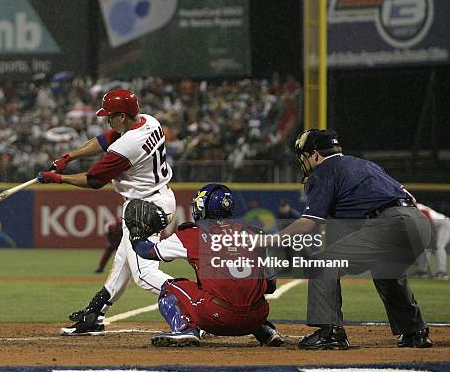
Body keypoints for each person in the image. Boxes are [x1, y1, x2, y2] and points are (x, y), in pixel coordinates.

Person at [264, 129, 432, 349]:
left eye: (304, 156)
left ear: (315, 155)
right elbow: (409, 196)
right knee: (386, 272)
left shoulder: (324, 171)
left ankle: (330, 333)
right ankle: (415, 332)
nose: (303, 162)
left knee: (321, 263)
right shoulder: (364, 165)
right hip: (418, 222)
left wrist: (267, 241)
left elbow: (308, 223)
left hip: (388, 224)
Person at [37, 89, 176, 335]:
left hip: (146, 207)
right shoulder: (148, 121)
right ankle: (95, 315)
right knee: (121, 263)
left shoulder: (128, 145)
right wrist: (68, 156)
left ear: (122, 116)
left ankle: (195, 302)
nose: (107, 119)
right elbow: (104, 140)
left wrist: (57, 178)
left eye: (110, 116)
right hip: (151, 200)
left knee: (143, 274)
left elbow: (93, 180)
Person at [130, 184, 287, 347]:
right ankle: (266, 331)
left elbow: (148, 252)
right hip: (256, 317)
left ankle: (185, 329)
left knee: (170, 287)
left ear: (202, 207)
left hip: (217, 318)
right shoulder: (254, 232)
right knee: (246, 294)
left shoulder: (192, 234)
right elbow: (270, 287)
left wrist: (135, 237)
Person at [414, 203, 450, 280]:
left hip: (445, 223)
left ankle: (442, 272)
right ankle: (422, 271)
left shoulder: (418, 207)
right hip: (436, 225)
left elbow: (428, 219)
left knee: (439, 246)